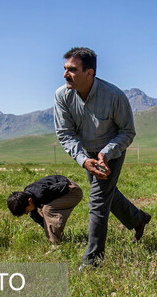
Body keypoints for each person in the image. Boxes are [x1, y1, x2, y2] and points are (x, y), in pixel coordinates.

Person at [54, 47, 151, 268]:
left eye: (72, 69)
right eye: (65, 69)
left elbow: (127, 132)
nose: (65, 74)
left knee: (98, 199)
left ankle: (93, 259)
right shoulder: (62, 96)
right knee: (107, 193)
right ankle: (138, 218)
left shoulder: (114, 96)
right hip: (86, 153)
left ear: (89, 73)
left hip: (111, 151)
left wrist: (106, 153)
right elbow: (65, 133)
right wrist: (83, 160)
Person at [7, 175, 83, 244]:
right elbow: (35, 216)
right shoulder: (28, 196)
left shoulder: (41, 194)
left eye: (25, 211)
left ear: (29, 201)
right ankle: (55, 238)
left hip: (73, 191)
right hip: (61, 189)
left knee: (47, 209)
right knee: (44, 209)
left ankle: (56, 244)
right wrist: (47, 227)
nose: (26, 213)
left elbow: (63, 185)